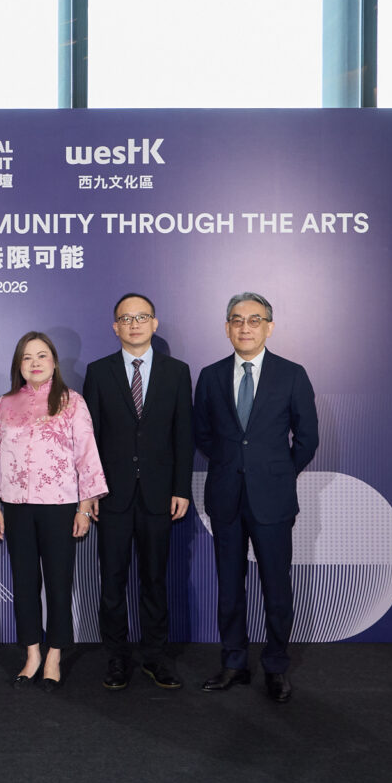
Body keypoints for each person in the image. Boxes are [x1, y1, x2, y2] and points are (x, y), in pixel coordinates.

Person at [192, 292, 318, 704]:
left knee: (276, 589)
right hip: (226, 496)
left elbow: (307, 437)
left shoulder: (292, 374)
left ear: (269, 327)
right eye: (237, 320)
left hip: (273, 499)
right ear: (227, 327)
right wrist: (232, 465)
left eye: (254, 320)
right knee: (229, 588)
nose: (245, 327)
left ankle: (276, 667)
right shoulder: (210, 376)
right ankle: (234, 663)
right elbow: (202, 434)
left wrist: (277, 472)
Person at [0, 332, 106, 691]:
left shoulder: (71, 401)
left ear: (54, 362)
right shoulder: (5, 404)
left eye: (42, 355)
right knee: (24, 583)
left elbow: (86, 454)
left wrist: (84, 508)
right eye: (27, 357)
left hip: (59, 507)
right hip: (16, 508)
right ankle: (32, 653)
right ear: (19, 365)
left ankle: (54, 655)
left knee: (59, 584)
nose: (34, 363)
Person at [80, 294, 193, 690]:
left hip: (159, 495)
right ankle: (116, 657)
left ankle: (155, 657)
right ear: (115, 327)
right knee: (112, 581)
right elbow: (89, 439)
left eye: (141, 317)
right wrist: (90, 490)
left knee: (154, 580)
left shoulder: (177, 372)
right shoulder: (99, 372)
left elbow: (183, 434)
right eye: (125, 319)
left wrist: (181, 487)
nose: (134, 324)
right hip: (112, 495)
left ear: (154, 323)